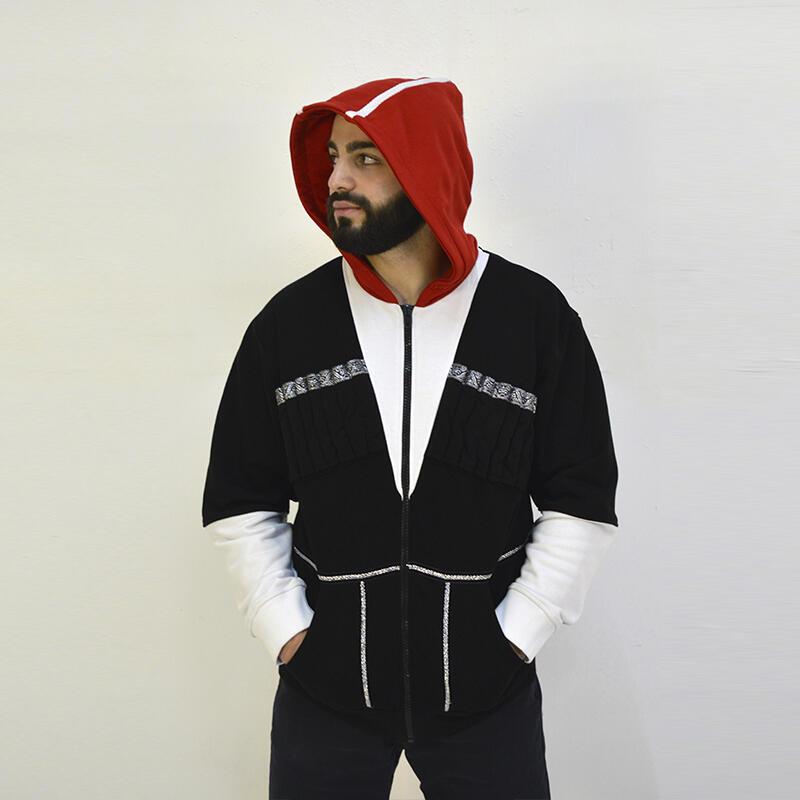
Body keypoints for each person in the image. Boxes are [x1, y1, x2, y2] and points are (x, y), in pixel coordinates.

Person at [202, 76, 620, 800]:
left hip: (485, 699)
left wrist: (516, 636)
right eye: (333, 157)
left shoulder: (533, 319)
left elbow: (580, 500)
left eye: (366, 157)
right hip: (325, 698)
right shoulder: (289, 327)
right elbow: (240, 500)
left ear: (428, 169)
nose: (337, 179)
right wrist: (288, 632)